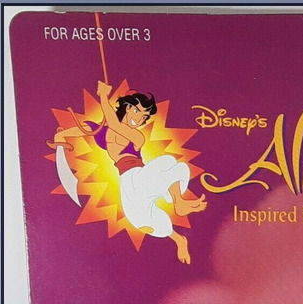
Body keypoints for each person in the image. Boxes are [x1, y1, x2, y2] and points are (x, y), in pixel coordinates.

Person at [51, 81, 206, 263]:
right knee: (142, 222)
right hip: (127, 183)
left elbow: (115, 125)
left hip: (139, 176)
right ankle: (179, 239)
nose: (140, 118)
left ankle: (179, 202)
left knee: (169, 162)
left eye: (144, 116)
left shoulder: (136, 136)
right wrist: (61, 136)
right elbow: (84, 129)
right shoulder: (103, 131)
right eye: (137, 111)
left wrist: (103, 96)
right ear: (127, 107)